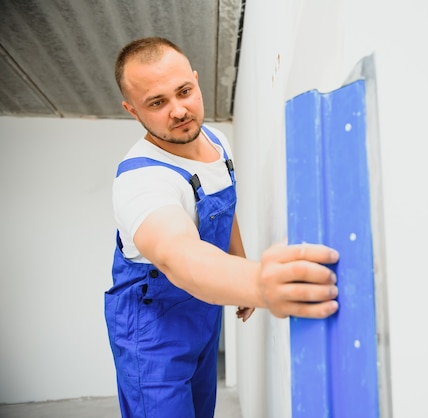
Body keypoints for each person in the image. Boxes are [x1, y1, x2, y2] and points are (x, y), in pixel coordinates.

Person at [104, 37, 339, 418]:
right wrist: (258, 282)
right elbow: (180, 255)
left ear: (195, 80)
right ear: (133, 110)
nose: (179, 110)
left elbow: (224, 210)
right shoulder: (140, 182)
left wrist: (240, 264)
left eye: (184, 91)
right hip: (151, 327)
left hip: (202, 309)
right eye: (157, 102)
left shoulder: (215, 140)